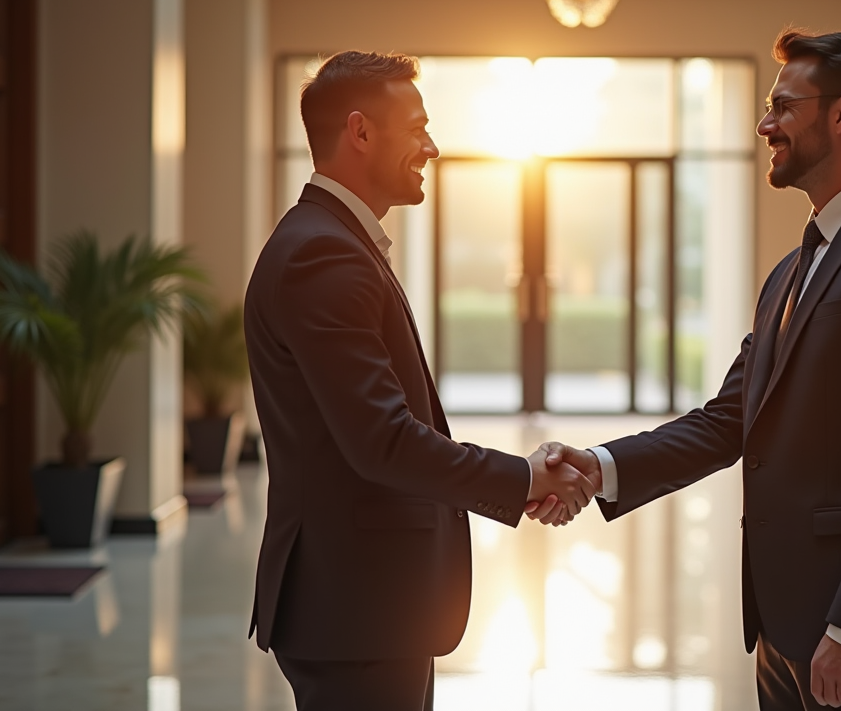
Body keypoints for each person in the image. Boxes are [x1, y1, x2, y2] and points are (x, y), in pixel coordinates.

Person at [530, 29, 841, 709]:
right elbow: (728, 420)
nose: (765, 123)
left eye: (783, 106)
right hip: (784, 619)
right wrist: (599, 467)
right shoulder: (791, 270)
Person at [243, 50, 593, 711]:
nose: (431, 147)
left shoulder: (332, 241)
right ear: (361, 132)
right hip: (355, 608)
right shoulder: (324, 253)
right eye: (418, 127)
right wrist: (520, 480)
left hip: (363, 606)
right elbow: (382, 440)